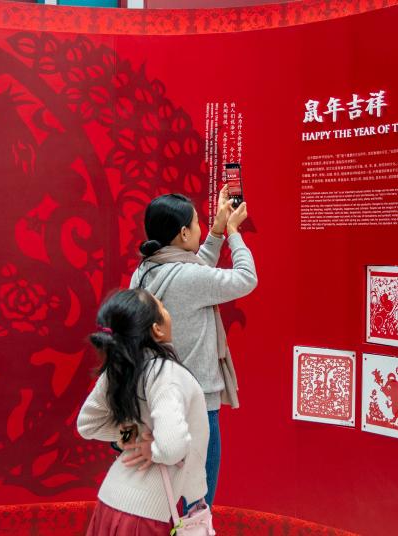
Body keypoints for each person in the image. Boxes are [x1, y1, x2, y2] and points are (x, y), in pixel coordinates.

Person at [130, 187, 257, 508]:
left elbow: (192, 271)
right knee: (196, 504)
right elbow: (246, 278)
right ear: (184, 233)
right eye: (198, 223)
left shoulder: (144, 272)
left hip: (156, 397)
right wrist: (233, 234)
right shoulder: (189, 277)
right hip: (197, 401)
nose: (201, 228)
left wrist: (215, 232)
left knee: (165, 499)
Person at [78, 289, 209, 534]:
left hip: (111, 500)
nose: (167, 311)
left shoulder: (120, 370)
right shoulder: (166, 374)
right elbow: (172, 448)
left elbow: (88, 424)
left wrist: (133, 436)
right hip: (144, 515)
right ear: (157, 329)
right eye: (162, 307)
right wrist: (152, 448)